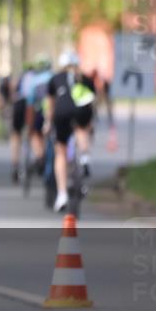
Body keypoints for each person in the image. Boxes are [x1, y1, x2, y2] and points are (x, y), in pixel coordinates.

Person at [44, 51, 96, 212]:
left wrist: (47, 122)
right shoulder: (86, 79)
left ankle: (62, 195)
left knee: (60, 152)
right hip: (82, 111)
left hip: (62, 112)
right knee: (82, 130)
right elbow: (93, 102)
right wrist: (90, 124)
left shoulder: (55, 79)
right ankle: (85, 157)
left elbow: (50, 104)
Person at [7, 63, 33, 184]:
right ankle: (38, 157)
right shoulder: (40, 78)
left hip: (18, 105)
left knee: (15, 136)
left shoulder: (21, 78)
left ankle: (15, 165)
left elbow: (12, 92)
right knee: (35, 133)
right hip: (32, 107)